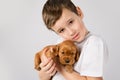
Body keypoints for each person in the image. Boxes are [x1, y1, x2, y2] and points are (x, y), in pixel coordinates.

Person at [37, 0, 108, 80]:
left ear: (79, 12)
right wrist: (45, 69)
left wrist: (59, 66)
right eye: (62, 30)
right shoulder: (61, 42)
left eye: (71, 22)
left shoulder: (94, 43)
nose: (71, 32)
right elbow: (43, 77)